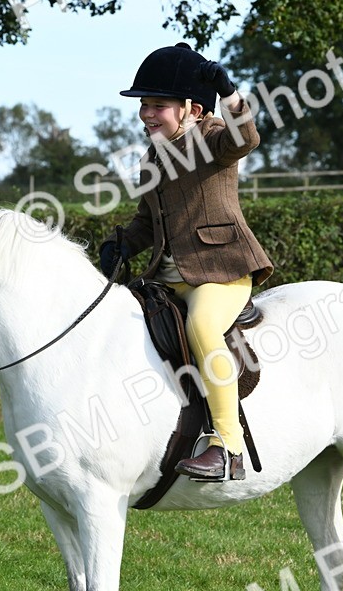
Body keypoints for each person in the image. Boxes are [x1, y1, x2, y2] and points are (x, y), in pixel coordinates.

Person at [100, 42, 273, 482]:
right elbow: (147, 221)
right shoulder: (152, 156)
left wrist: (230, 93)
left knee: (201, 326)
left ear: (193, 108)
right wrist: (122, 244)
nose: (146, 115)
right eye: (144, 106)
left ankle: (226, 446)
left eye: (158, 106)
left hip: (222, 272)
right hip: (167, 277)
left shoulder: (214, 137)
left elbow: (247, 138)